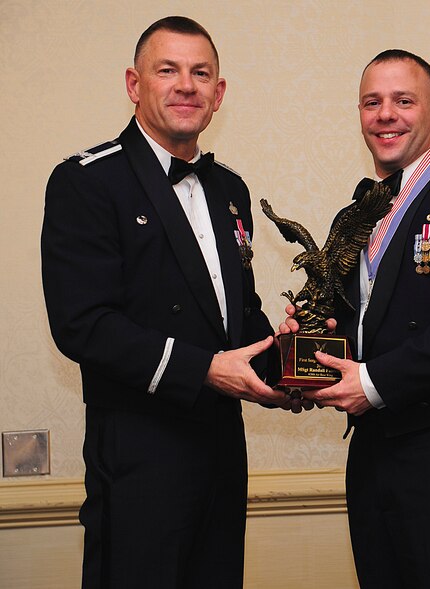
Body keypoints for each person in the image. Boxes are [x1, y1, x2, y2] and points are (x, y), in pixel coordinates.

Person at [41, 16, 290, 589]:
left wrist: (290, 366)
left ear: (219, 93)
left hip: (223, 453)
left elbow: (236, 314)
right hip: (139, 453)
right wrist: (204, 369)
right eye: (168, 70)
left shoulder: (231, 189)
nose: (187, 85)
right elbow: (82, 324)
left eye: (201, 73)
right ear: (134, 84)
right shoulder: (86, 181)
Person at [285, 50, 430, 588]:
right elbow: (354, 323)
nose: (385, 114)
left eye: (403, 101)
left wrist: (372, 383)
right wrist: (308, 353)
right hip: (371, 457)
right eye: (372, 102)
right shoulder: (355, 214)